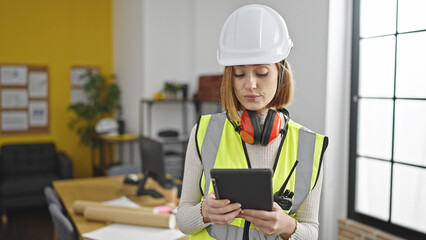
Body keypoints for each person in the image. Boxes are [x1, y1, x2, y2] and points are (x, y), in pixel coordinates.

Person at [176, 4, 328, 240]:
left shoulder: (310, 146)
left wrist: (287, 226)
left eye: (262, 73)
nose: (250, 84)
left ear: (281, 74)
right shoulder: (205, 132)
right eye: (239, 74)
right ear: (230, 78)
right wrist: (204, 212)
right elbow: (183, 221)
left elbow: (312, 231)